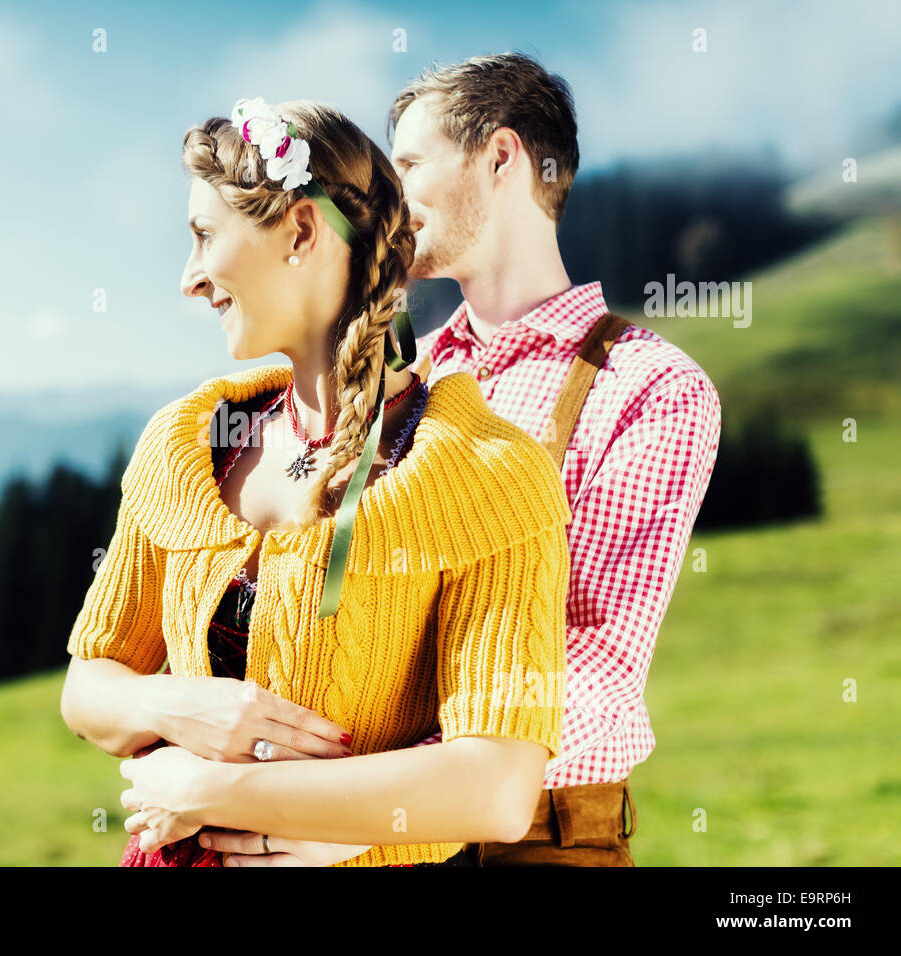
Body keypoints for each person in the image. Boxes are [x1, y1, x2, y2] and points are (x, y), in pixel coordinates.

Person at [201, 54, 723, 867]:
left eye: (406, 166)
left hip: (536, 838)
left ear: (503, 159)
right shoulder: (401, 379)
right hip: (335, 812)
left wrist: (379, 806)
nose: (384, 200)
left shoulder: (652, 388)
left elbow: (598, 660)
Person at [60, 96, 572, 866]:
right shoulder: (185, 445)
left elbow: (496, 787)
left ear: (300, 230)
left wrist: (211, 791)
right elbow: (88, 687)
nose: (190, 279)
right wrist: (177, 705)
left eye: (204, 237)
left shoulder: (492, 474)